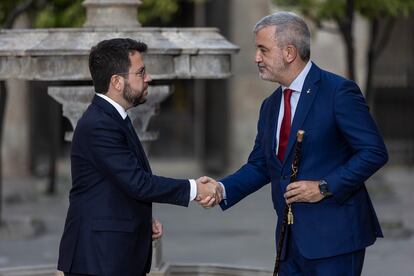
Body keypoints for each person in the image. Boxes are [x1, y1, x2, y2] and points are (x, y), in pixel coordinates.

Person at [205, 12, 388, 275]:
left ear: (289, 52)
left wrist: (324, 187)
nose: (256, 57)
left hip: (335, 242)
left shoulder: (338, 92)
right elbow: (260, 165)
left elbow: (373, 152)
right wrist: (222, 189)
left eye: (263, 50)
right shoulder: (270, 106)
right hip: (288, 243)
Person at [57, 38, 221, 276]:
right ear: (116, 81)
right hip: (98, 258)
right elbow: (138, 183)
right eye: (141, 72)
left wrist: (141, 223)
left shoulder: (113, 117)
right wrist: (195, 189)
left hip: (111, 253)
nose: (148, 78)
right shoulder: (99, 124)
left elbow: (118, 185)